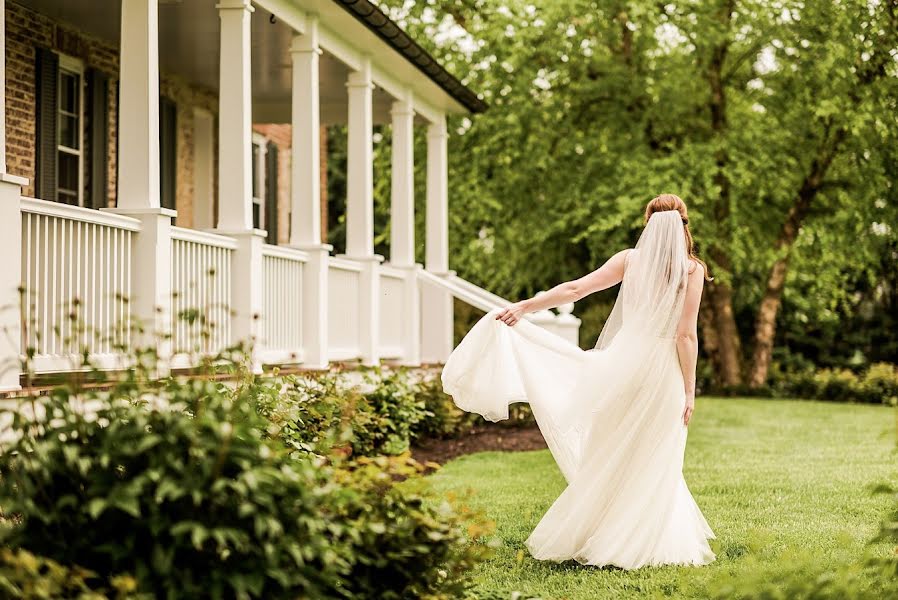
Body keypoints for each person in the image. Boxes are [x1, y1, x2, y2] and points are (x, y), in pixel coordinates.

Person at [440, 193, 717, 569]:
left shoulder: (630, 261)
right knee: (656, 455)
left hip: (623, 365)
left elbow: (575, 289)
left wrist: (524, 306)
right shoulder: (691, 270)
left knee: (610, 451)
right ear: (684, 224)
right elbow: (686, 336)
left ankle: (600, 533)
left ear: (648, 224)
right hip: (662, 372)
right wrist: (689, 389)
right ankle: (640, 540)